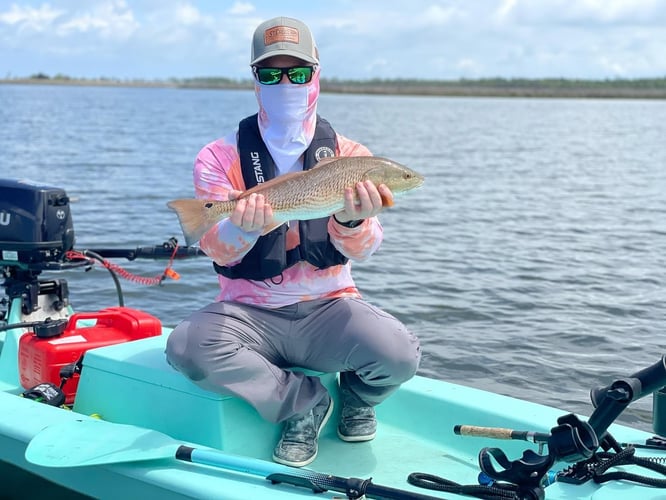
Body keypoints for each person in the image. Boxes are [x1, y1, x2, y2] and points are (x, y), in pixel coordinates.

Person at [166, 16, 421, 468]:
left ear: (316, 75)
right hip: (247, 313)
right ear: (255, 79)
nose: (285, 83)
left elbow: (367, 248)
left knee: (399, 354)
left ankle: (358, 399)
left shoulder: (351, 156)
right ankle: (302, 404)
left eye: (298, 72)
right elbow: (212, 247)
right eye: (271, 73)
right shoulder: (219, 156)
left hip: (330, 306)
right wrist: (241, 226)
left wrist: (350, 219)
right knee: (186, 348)